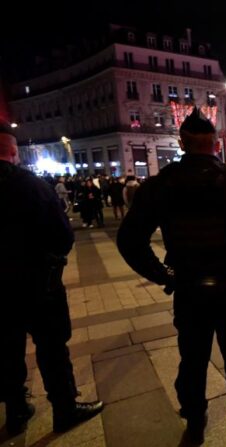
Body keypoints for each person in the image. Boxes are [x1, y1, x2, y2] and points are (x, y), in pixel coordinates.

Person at [116, 108, 226, 446]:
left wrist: (162, 274)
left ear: (181, 143)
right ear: (216, 144)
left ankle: (194, 417)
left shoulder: (161, 185)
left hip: (189, 288)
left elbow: (129, 240)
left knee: (192, 357)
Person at [0, 121, 104, 436]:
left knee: (5, 349)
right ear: (14, 151)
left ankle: (16, 411)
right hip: (38, 285)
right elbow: (62, 236)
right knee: (52, 347)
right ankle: (64, 407)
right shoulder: (31, 186)